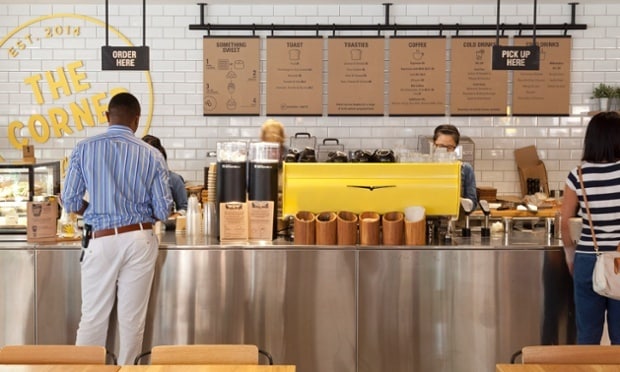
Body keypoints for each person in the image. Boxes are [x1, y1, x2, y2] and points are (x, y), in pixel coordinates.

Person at [61, 92, 173, 364]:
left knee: (92, 318)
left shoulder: (84, 148)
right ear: (136, 120)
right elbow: (163, 210)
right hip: (139, 238)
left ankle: (84, 371)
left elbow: (70, 200)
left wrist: (97, 211)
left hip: (100, 238)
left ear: (107, 117)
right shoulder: (152, 155)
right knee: (131, 322)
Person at [560, 111, 620, 344]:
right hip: (618, 259)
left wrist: (569, 256)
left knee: (587, 333)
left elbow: (565, 222)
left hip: (587, 257)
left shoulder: (578, 175)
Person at [142, 134, 188, 216]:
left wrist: (175, 216)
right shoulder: (135, 180)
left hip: (165, 226)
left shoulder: (174, 179)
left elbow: (185, 208)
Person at [433, 124, 478, 206]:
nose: (445, 151)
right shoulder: (425, 167)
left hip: (456, 218)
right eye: (441, 146)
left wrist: (460, 201)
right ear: (434, 144)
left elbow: (473, 204)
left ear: (455, 147)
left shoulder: (465, 168)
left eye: (449, 147)